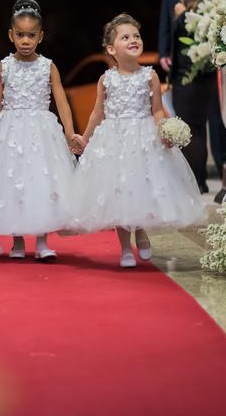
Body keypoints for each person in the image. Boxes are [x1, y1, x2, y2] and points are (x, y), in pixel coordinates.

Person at [71, 14, 205, 268]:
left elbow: (156, 110)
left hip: (143, 139)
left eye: (136, 36)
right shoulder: (106, 79)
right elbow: (98, 112)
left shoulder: (150, 77)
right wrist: (85, 138)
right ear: (111, 49)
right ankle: (125, 247)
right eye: (126, 37)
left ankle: (141, 232)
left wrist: (165, 131)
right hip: (114, 141)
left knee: (140, 189)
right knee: (120, 192)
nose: (133, 40)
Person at [0, 0, 80, 261]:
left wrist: (69, 132)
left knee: (41, 182)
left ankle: (43, 241)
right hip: (9, 132)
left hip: (41, 132)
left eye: (31, 35)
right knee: (12, 183)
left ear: (41, 36)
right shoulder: (4, 66)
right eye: (20, 35)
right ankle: (17, 241)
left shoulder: (48, 66)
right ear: (11, 35)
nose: (25, 41)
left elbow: (61, 102)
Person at [158, 0, 226, 186]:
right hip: (183, 64)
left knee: (218, 119)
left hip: (212, 63)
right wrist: (163, 52)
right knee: (190, 123)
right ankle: (195, 178)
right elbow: (165, 24)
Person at [171, 0, 214, 193]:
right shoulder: (185, 3)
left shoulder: (203, 8)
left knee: (193, 129)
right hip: (182, 76)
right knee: (192, 128)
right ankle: (196, 179)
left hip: (195, 77)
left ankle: (197, 181)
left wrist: (183, 15)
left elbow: (198, 40)